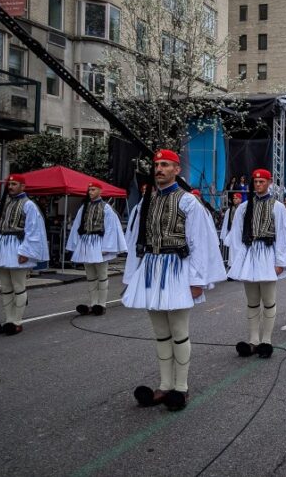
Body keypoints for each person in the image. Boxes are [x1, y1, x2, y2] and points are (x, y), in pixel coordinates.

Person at [123, 149, 227, 411]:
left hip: (178, 269)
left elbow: (199, 243)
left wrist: (196, 280)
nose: (159, 169)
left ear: (177, 170)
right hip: (151, 269)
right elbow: (136, 241)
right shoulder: (144, 203)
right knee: (160, 333)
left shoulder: (188, 202)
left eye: (166, 164)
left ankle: (181, 386)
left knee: (179, 332)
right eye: (157, 165)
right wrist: (132, 275)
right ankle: (164, 384)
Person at [226, 169, 286, 358]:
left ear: (269, 183)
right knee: (252, 302)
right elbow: (236, 236)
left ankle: (266, 340)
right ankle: (253, 340)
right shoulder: (244, 207)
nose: (258, 184)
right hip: (250, 255)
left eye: (261, 181)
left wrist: (280, 261)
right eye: (256, 181)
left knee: (268, 301)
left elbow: (284, 235)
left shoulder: (277, 206)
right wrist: (236, 261)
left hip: (268, 254)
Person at [0, 174, 50, 336]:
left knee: (18, 285)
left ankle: (17, 321)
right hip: (1, 246)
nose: (10, 186)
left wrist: (26, 251)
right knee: (5, 286)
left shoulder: (29, 205)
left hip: (17, 247)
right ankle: (8, 320)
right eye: (9, 184)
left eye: (14, 184)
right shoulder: (1, 204)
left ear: (23, 187)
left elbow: (33, 230)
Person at [66, 181, 127, 316]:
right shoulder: (84, 207)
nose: (90, 192)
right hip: (86, 242)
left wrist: (107, 246)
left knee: (102, 274)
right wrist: (75, 245)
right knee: (90, 275)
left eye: (93, 189)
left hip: (99, 243)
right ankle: (94, 303)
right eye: (89, 190)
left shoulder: (106, 208)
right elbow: (77, 225)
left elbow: (111, 228)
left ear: (100, 191)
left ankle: (102, 304)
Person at [220, 192, 243, 269]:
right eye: (233, 198)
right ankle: (232, 268)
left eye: (236, 198)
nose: (234, 200)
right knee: (232, 253)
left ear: (240, 199)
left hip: (240, 234)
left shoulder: (243, 209)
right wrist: (224, 234)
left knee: (240, 252)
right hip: (233, 233)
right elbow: (226, 222)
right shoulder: (229, 210)